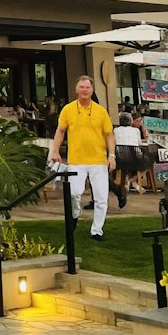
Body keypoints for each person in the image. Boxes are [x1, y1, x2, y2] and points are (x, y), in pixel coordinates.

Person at [50, 77, 116, 240]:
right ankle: (74, 216)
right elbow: (60, 131)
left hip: (98, 161)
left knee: (101, 198)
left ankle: (97, 230)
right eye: (81, 87)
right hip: (76, 161)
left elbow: (109, 135)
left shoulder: (101, 111)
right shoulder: (68, 109)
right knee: (74, 194)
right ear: (76, 89)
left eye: (87, 87)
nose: (85, 90)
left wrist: (112, 155)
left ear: (92, 90)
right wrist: (55, 150)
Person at [113, 111, 143, 198]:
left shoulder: (115, 130)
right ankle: (132, 180)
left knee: (123, 165)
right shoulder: (136, 130)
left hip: (119, 160)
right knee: (149, 163)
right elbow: (139, 144)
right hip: (134, 160)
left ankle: (127, 182)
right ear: (131, 121)